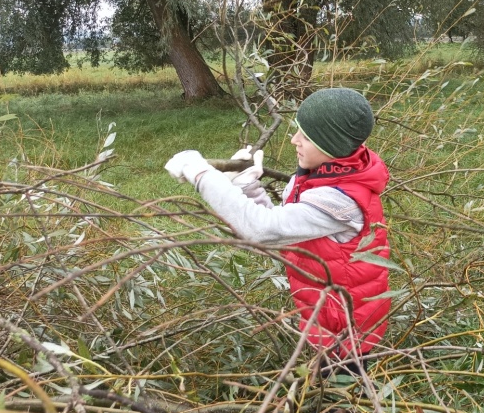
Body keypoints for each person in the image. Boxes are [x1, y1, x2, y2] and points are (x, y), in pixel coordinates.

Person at [164, 88, 391, 372]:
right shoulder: (325, 176)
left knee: (345, 407)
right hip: (327, 317)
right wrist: (247, 186)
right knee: (335, 395)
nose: (294, 139)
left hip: (344, 331)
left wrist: (202, 175)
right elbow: (285, 228)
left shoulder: (339, 201)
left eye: (306, 136)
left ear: (331, 146)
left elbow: (262, 229)